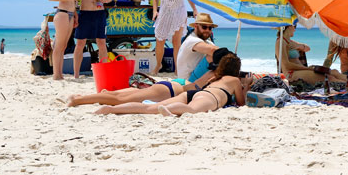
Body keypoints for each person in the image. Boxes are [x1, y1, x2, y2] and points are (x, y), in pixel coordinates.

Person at [67, 48, 235, 107]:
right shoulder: (213, 75)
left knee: (118, 95)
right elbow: (191, 88)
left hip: (170, 86)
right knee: (119, 99)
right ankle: (77, 100)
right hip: (170, 91)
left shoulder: (214, 74)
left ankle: (84, 97)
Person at [95, 54, 251, 115]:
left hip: (193, 93)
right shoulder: (235, 80)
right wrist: (247, 86)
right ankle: (169, 111)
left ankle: (111, 109)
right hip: (210, 98)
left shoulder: (215, 77)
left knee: (150, 108)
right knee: (190, 110)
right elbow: (241, 103)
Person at [275, 25, 348, 88]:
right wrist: (308, 69)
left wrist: (299, 46)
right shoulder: (281, 42)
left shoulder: (290, 42)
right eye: (294, 26)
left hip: (300, 70)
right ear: (288, 27)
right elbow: (286, 65)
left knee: (333, 72)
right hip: (292, 73)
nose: (295, 29)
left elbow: (307, 48)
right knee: (329, 78)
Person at [151, 0, 198, 74]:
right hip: (165, 11)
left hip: (179, 11)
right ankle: (158, 64)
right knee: (159, 40)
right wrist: (155, 11)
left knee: (176, 42)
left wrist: (194, 9)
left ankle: (177, 69)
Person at [72, 0, 113, 78]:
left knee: (101, 43)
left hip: (100, 13)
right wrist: (74, 14)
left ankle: (104, 73)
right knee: (80, 44)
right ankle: (76, 75)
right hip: (84, 13)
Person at [47, 0, 81, 80]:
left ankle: (59, 74)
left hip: (70, 14)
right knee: (59, 46)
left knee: (64, 46)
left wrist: (76, 15)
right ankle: (56, 75)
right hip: (62, 14)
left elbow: (71, 0)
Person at [176, 13, 220, 83]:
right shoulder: (191, 40)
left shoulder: (206, 42)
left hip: (196, 78)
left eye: (210, 28)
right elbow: (214, 50)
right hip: (188, 81)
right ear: (196, 26)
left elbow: (220, 51)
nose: (207, 30)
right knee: (212, 56)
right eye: (204, 27)